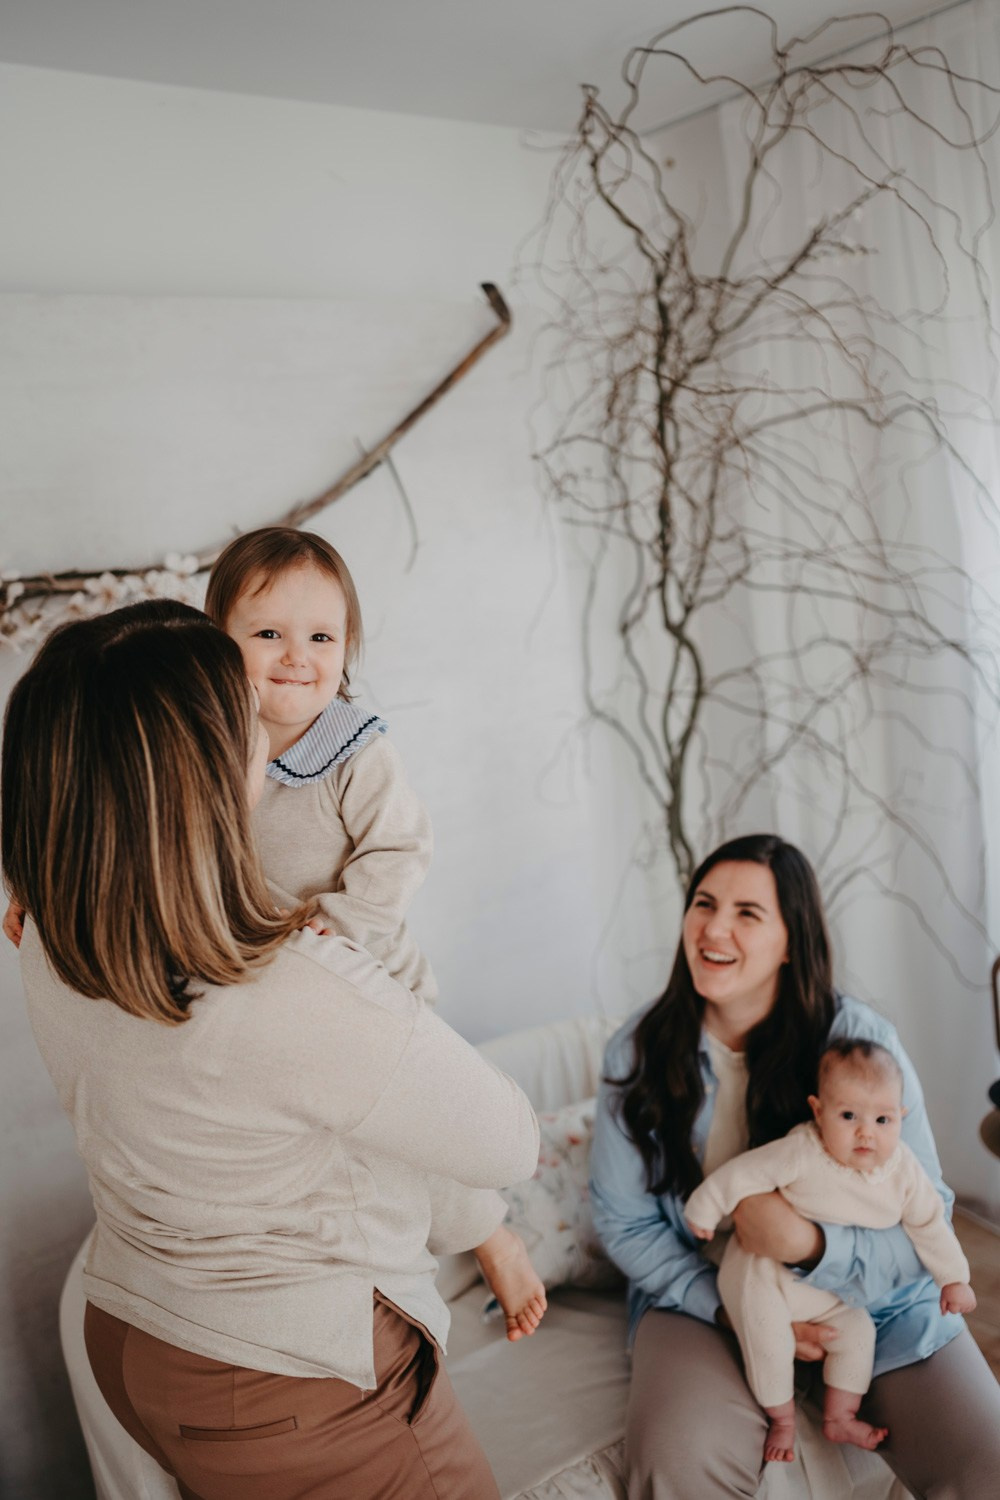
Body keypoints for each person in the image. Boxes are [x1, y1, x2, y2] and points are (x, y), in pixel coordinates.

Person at [2, 599, 541, 1500]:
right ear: (202, 781)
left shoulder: (53, 936)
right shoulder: (293, 992)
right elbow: (509, 1141)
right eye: (245, 722)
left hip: (135, 1331)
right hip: (285, 1382)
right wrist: (375, 967)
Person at [203, 525, 547, 1341]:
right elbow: (134, 823)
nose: (297, 656)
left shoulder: (354, 749)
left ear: (347, 646)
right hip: (268, 984)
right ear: (215, 645)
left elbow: (399, 850)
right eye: (267, 635)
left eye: (321, 637)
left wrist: (339, 925)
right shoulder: (207, 746)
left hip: (366, 971)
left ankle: (489, 1230)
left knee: (410, 1127)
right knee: (323, 1137)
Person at [589, 833, 1000, 1500]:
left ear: (791, 939)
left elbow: (928, 1212)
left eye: (747, 913)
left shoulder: (863, 1049)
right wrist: (729, 1310)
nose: (714, 927)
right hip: (709, 1298)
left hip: (879, 1301)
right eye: (703, 903)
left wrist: (812, 1248)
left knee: (989, 1466)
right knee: (677, 1463)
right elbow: (626, 1221)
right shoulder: (636, 1052)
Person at [685, 1037, 976, 1465]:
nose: (866, 1132)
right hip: (763, 1270)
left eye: (882, 1119)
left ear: (901, 1117)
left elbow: (929, 1223)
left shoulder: (904, 1172)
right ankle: (781, 1417)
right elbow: (745, 1173)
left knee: (858, 1333)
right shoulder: (803, 1151)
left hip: (825, 1286)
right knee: (767, 1335)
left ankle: (840, 1415)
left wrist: (954, 1277)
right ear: (819, 1111)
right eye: (848, 1116)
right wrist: (705, 1210)